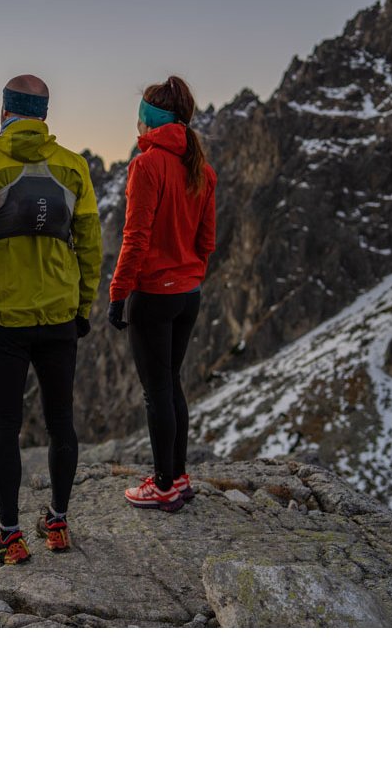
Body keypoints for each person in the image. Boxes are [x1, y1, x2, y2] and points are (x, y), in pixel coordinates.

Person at [0, 74, 102, 564]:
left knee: (6, 430)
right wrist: (84, 307)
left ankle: (11, 538)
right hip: (59, 317)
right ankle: (57, 525)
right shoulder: (73, 166)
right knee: (61, 423)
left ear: (4, 111)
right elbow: (91, 244)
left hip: (5, 323)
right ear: (45, 115)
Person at [107, 75, 216, 511]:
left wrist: (118, 294)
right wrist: (188, 275)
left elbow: (135, 238)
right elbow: (207, 241)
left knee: (156, 391)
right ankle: (179, 476)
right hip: (189, 294)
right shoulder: (201, 169)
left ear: (149, 120)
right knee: (171, 383)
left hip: (153, 295)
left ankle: (164, 485)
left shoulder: (147, 166)